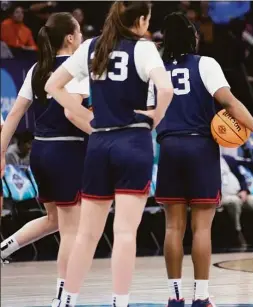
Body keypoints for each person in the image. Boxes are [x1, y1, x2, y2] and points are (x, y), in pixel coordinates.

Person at [44, 2, 174, 307]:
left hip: (99, 145)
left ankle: (67, 301)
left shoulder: (91, 46)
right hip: (133, 141)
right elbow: (166, 90)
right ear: (142, 19)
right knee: (125, 232)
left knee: (87, 235)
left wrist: (87, 115)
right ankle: (119, 302)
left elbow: (53, 85)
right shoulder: (143, 48)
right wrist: (154, 118)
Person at [153, 12, 253, 307]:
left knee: (172, 228)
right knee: (201, 228)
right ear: (192, 37)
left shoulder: (156, 70)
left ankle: (174, 296)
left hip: (168, 146)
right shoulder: (205, 65)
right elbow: (230, 103)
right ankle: (202, 297)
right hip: (200, 147)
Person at [0, 12, 90, 303]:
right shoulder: (76, 69)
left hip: (40, 152)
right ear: (69, 38)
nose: (82, 39)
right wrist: (103, 130)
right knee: (71, 230)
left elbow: (13, 115)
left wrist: (1, 152)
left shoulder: (38, 68)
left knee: (54, 219)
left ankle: (4, 248)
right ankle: (62, 298)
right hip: (66, 151)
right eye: (79, 33)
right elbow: (72, 113)